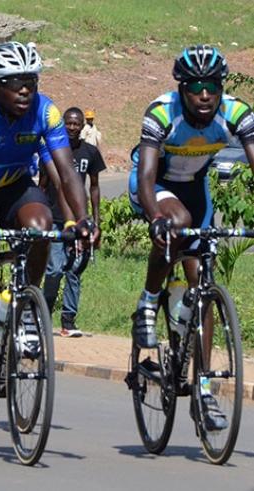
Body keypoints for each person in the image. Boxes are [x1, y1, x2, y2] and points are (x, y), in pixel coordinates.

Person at [0, 42, 95, 434]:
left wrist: (82, 220)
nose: (26, 90)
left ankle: (27, 307)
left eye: (31, 81)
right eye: (16, 83)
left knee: (42, 224)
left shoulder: (45, 111)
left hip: (15, 188)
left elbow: (67, 173)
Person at [128, 45, 254, 431]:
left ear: (221, 88)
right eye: (196, 86)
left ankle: (203, 390)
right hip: (154, 185)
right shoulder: (162, 112)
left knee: (203, 285)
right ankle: (148, 301)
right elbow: (146, 176)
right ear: (182, 88)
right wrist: (155, 218)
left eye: (212, 86)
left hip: (196, 189)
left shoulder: (237, 113)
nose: (204, 95)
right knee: (176, 223)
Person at [40, 107, 106, 337]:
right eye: (68, 123)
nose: (72, 127)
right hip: (55, 219)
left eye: (76, 124)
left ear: (82, 126)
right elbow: (42, 185)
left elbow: (95, 187)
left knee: (75, 270)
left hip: (80, 221)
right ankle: (44, 315)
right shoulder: (53, 152)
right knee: (55, 269)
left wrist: (95, 220)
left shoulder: (90, 152)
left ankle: (68, 321)